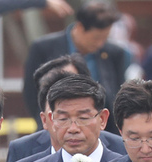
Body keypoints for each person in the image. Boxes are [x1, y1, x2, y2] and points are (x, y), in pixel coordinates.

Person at [23, 1, 127, 132]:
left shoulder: (114, 53)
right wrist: (46, 122)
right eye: (96, 38)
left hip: (103, 131)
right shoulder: (43, 48)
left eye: (104, 38)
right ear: (80, 27)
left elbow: (118, 93)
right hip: (55, 129)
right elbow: (31, 91)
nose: (100, 44)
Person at [9, 66, 125, 162]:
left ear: (103, 119)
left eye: (83, 118)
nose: (73, 129)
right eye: (63, 119)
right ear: (50, 119)